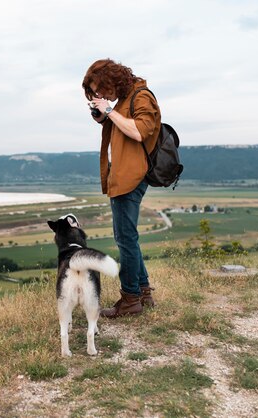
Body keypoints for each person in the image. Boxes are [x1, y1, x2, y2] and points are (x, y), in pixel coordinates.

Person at [82, 58, 160, 317]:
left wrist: (110, 111)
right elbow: (114, 125)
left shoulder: (142, 96)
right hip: (124, 176)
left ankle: (130, 299)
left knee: (125, 239)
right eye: (97, 93)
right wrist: (101, 112)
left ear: (112, 79)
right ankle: (143, 291)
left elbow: (139, 132)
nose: (101, 94)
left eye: (101, 88)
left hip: (131, 177)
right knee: (129, 238)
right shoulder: (126, 100)